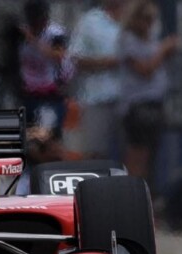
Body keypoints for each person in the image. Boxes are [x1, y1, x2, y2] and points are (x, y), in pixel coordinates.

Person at [117, 0, 179, 187]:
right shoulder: (128, 40)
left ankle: (145, 198)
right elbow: (145, 69)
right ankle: (129, 195)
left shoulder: (150, 40)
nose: (149, 23)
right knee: (138, 155)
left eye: (151, 19)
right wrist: (163, 49)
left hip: (155, 103)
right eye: (145, 19)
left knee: (151, 157)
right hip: (138, 107)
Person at [69, 0, 126, 160]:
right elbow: (76, 58)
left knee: (132, 155)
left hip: (130, 101)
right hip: (97, 98)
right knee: (95, 153)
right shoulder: (89, 21)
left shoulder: (136, 19)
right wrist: (106, 63)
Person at [18, 0, 75, 142]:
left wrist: (34, 41)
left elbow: (58, 55)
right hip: (29, 94)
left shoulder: (55, 33)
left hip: (50, 96)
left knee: (47, 138)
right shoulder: (21, 35)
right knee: (29, 140)